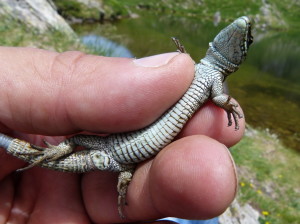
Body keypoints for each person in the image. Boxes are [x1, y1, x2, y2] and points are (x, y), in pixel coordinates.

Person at [0, 47, 244, 223]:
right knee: (75, 141)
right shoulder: (202, 68)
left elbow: (219, 97)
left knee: (124, 174)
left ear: (238, 57)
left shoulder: (214, 75)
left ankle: (42, 154)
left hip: (118, 161)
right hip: (111, 150)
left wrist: (227, 105)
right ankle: (47, 152)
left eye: (246, 41)